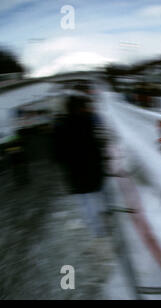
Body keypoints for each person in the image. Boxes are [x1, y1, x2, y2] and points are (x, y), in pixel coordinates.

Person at [54, 93, 107, 237]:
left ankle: (97, 231)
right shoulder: (89, 121)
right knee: (96, 195)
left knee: (84, 202)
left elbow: (57, 155)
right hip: (92, 167)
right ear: (81, 107)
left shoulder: (60, 126)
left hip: (74, 172)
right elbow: (101, 141)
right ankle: (104, 217)